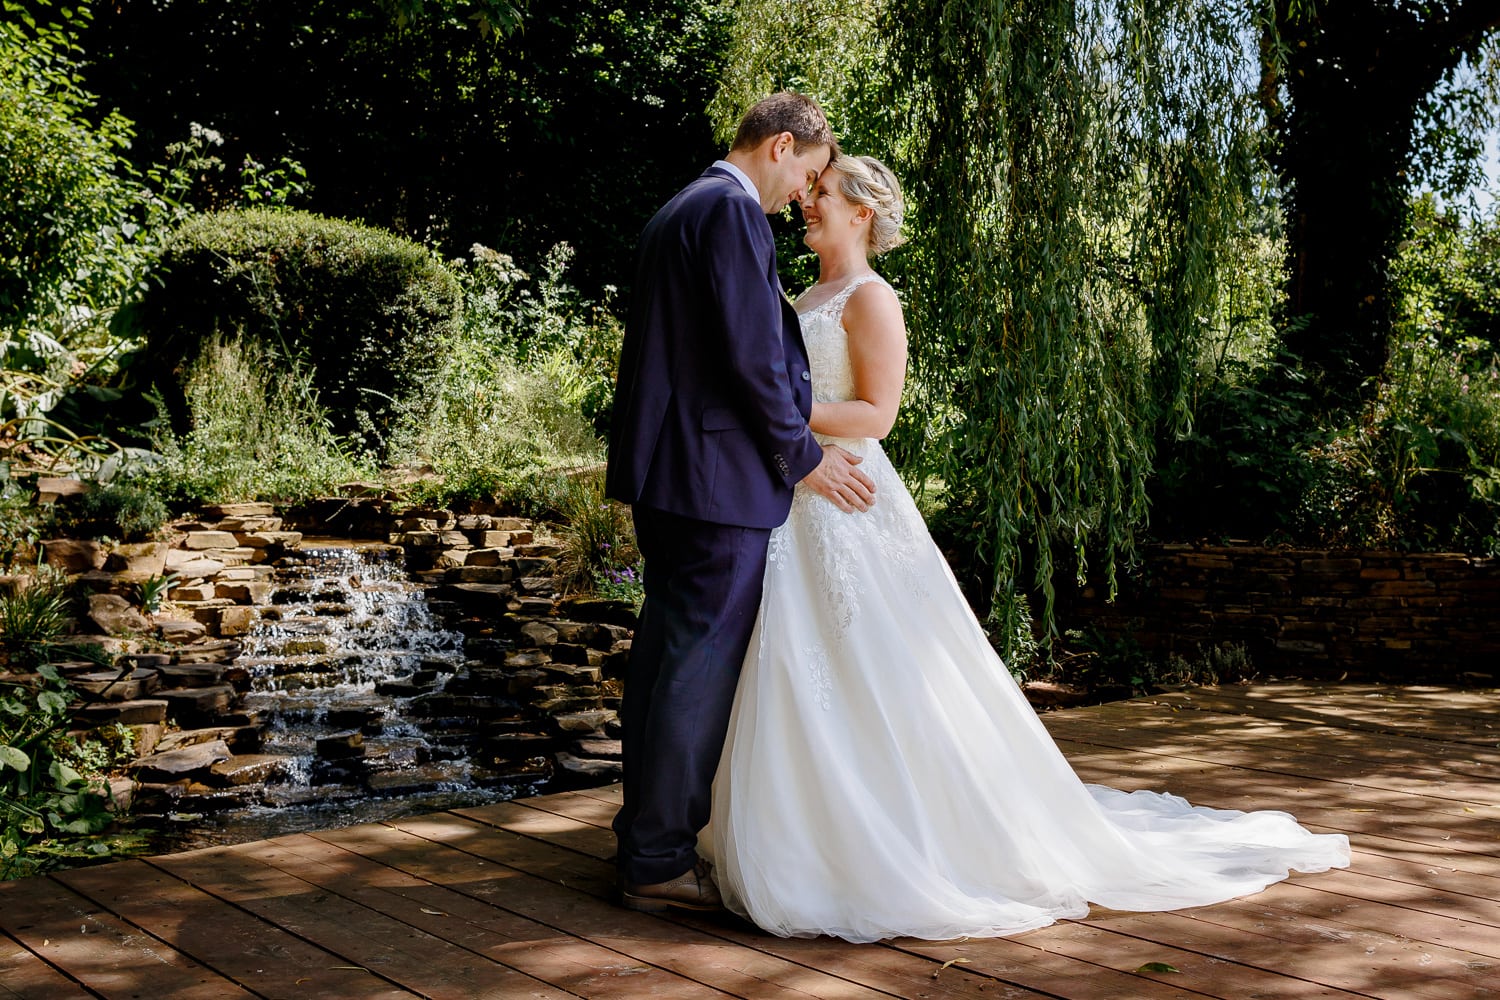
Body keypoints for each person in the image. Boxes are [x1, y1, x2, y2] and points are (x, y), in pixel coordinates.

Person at [701, 155, 1351, 943]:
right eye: (810, 192)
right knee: (796, 659)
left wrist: (793, 410)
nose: (808, 203)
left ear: (861, 213)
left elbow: (877, 414)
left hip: (851, 498)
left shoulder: (872, 299)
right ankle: (797, 828)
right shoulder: (804, 296)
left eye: (824, 194)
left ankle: (897, 837)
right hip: (799, 497)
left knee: (873, 661)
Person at [605, 93, 879, 913]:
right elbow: (752, 358)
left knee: (662, 659)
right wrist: (803, 460)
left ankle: (642, 843)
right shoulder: (729, 214)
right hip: (716, 482)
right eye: (808, 173)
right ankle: (656, 860)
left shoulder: (680, 208)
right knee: (695, 669)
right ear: (782, 146)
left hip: (670, 475)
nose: (803, 192)